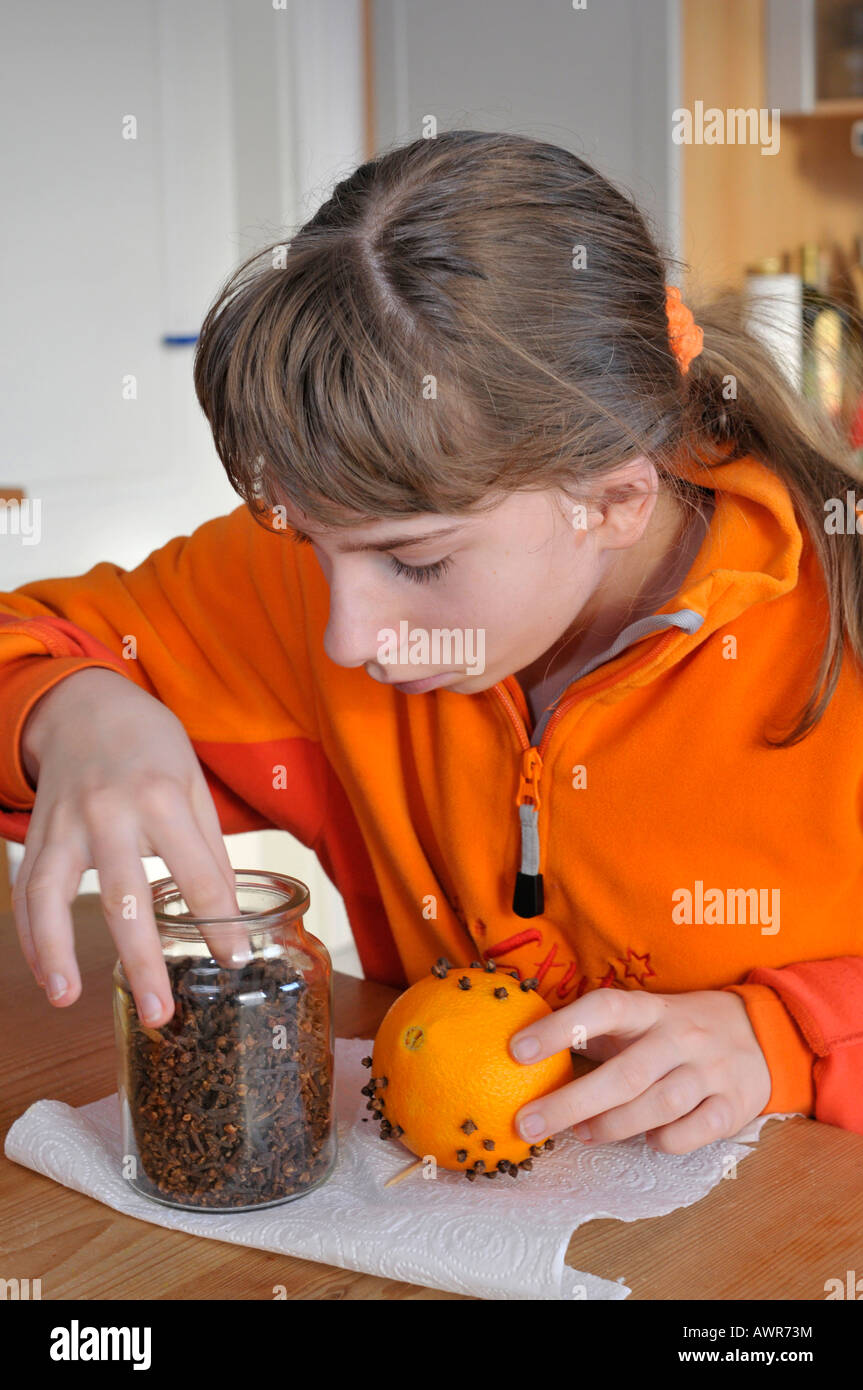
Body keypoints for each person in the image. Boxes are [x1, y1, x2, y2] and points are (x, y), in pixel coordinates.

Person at [2, 130, 862, 1155]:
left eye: (414, 564)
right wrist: (72, 710)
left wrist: (790, 1039)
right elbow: (31, 644)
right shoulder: (316, 567)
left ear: (616, 499)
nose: (345, 634)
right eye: (315, 547)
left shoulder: (833, 626)